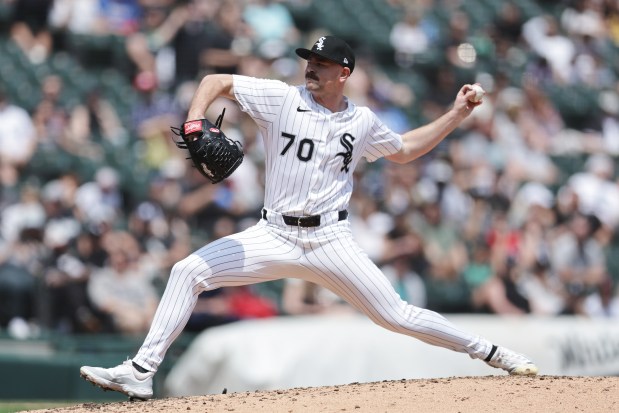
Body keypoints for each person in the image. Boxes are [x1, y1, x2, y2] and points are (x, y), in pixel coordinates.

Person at [80, 35, 538, 400]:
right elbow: (215, 81)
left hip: (331, 240)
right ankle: (141, 372)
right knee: (188, 271)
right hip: (273, 233)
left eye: (319, 64)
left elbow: (406, 150)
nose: (310, 68)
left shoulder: (361, 121)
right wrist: (196, 120)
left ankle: (492, 352)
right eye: (307, 61)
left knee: (396, 314)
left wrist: (456, 113)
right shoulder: (280, 98)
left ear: (344, 72)